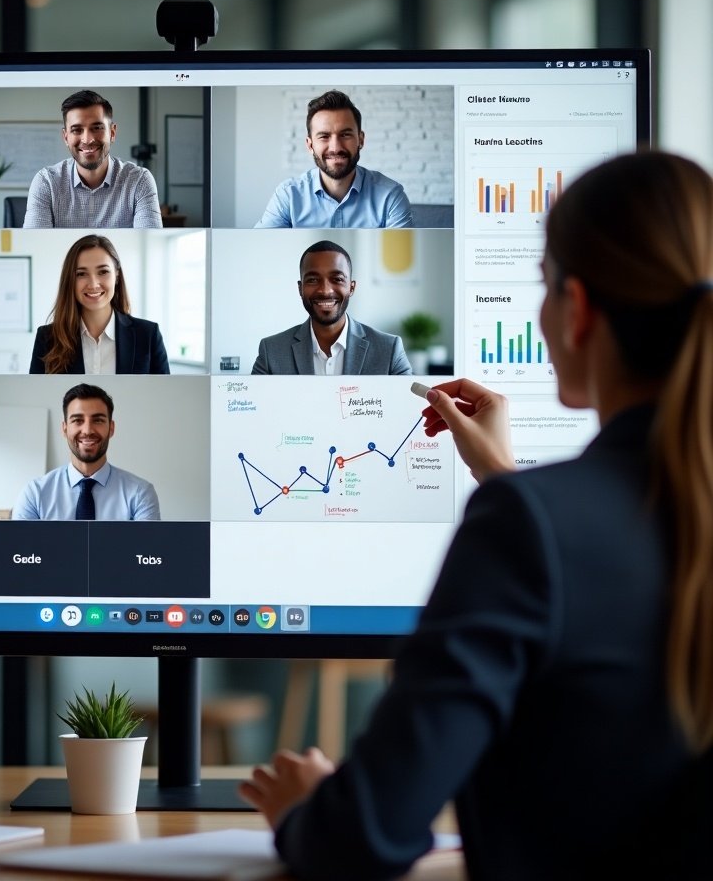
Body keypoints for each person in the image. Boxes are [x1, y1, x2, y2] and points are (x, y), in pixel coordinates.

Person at [240, 151, 713, 880]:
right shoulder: (564, 518)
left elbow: (363, 838)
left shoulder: (525, 527)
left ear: (578, 311)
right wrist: (504, 478)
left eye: (543, 286)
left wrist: (310, 808)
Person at [255, 90, 413, 229]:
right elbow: (263, 252)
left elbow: (401, 261)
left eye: (345, 135)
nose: (336, 147)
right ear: (310, 145)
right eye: (324, 136)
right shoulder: (288, 196)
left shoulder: (390, 196)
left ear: (361, 140)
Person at [251, 240, 411, 375]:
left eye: (337, 279)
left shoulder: (390, 350)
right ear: (300, 288)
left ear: (352, 287)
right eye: (313, 280)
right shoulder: (271, 351)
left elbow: (409, 408)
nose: (325, 290)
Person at [11, 383, 160, 520]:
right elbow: (23, 548)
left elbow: (146, 548)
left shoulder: (140, 493)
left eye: (98, 420)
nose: (88, 430)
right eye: (77, 420)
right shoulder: (35, 494)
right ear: (64, 428)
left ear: (111, 428)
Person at [29, 234, 169, 374]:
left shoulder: (148, 334)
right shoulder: (47, 337)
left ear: (117, 275)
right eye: (81, 274)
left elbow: (164, 394)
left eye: (103, 272)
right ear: (70, 280)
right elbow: (37, 394)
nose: (93, 284)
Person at [22, 90, 163, 228]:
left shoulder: (139, 180)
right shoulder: (46, 182)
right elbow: (37, 247)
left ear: (112, 133)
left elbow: (150, 246)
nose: (88, 140)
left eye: (97, 128)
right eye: (76, 130)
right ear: (66, 137)